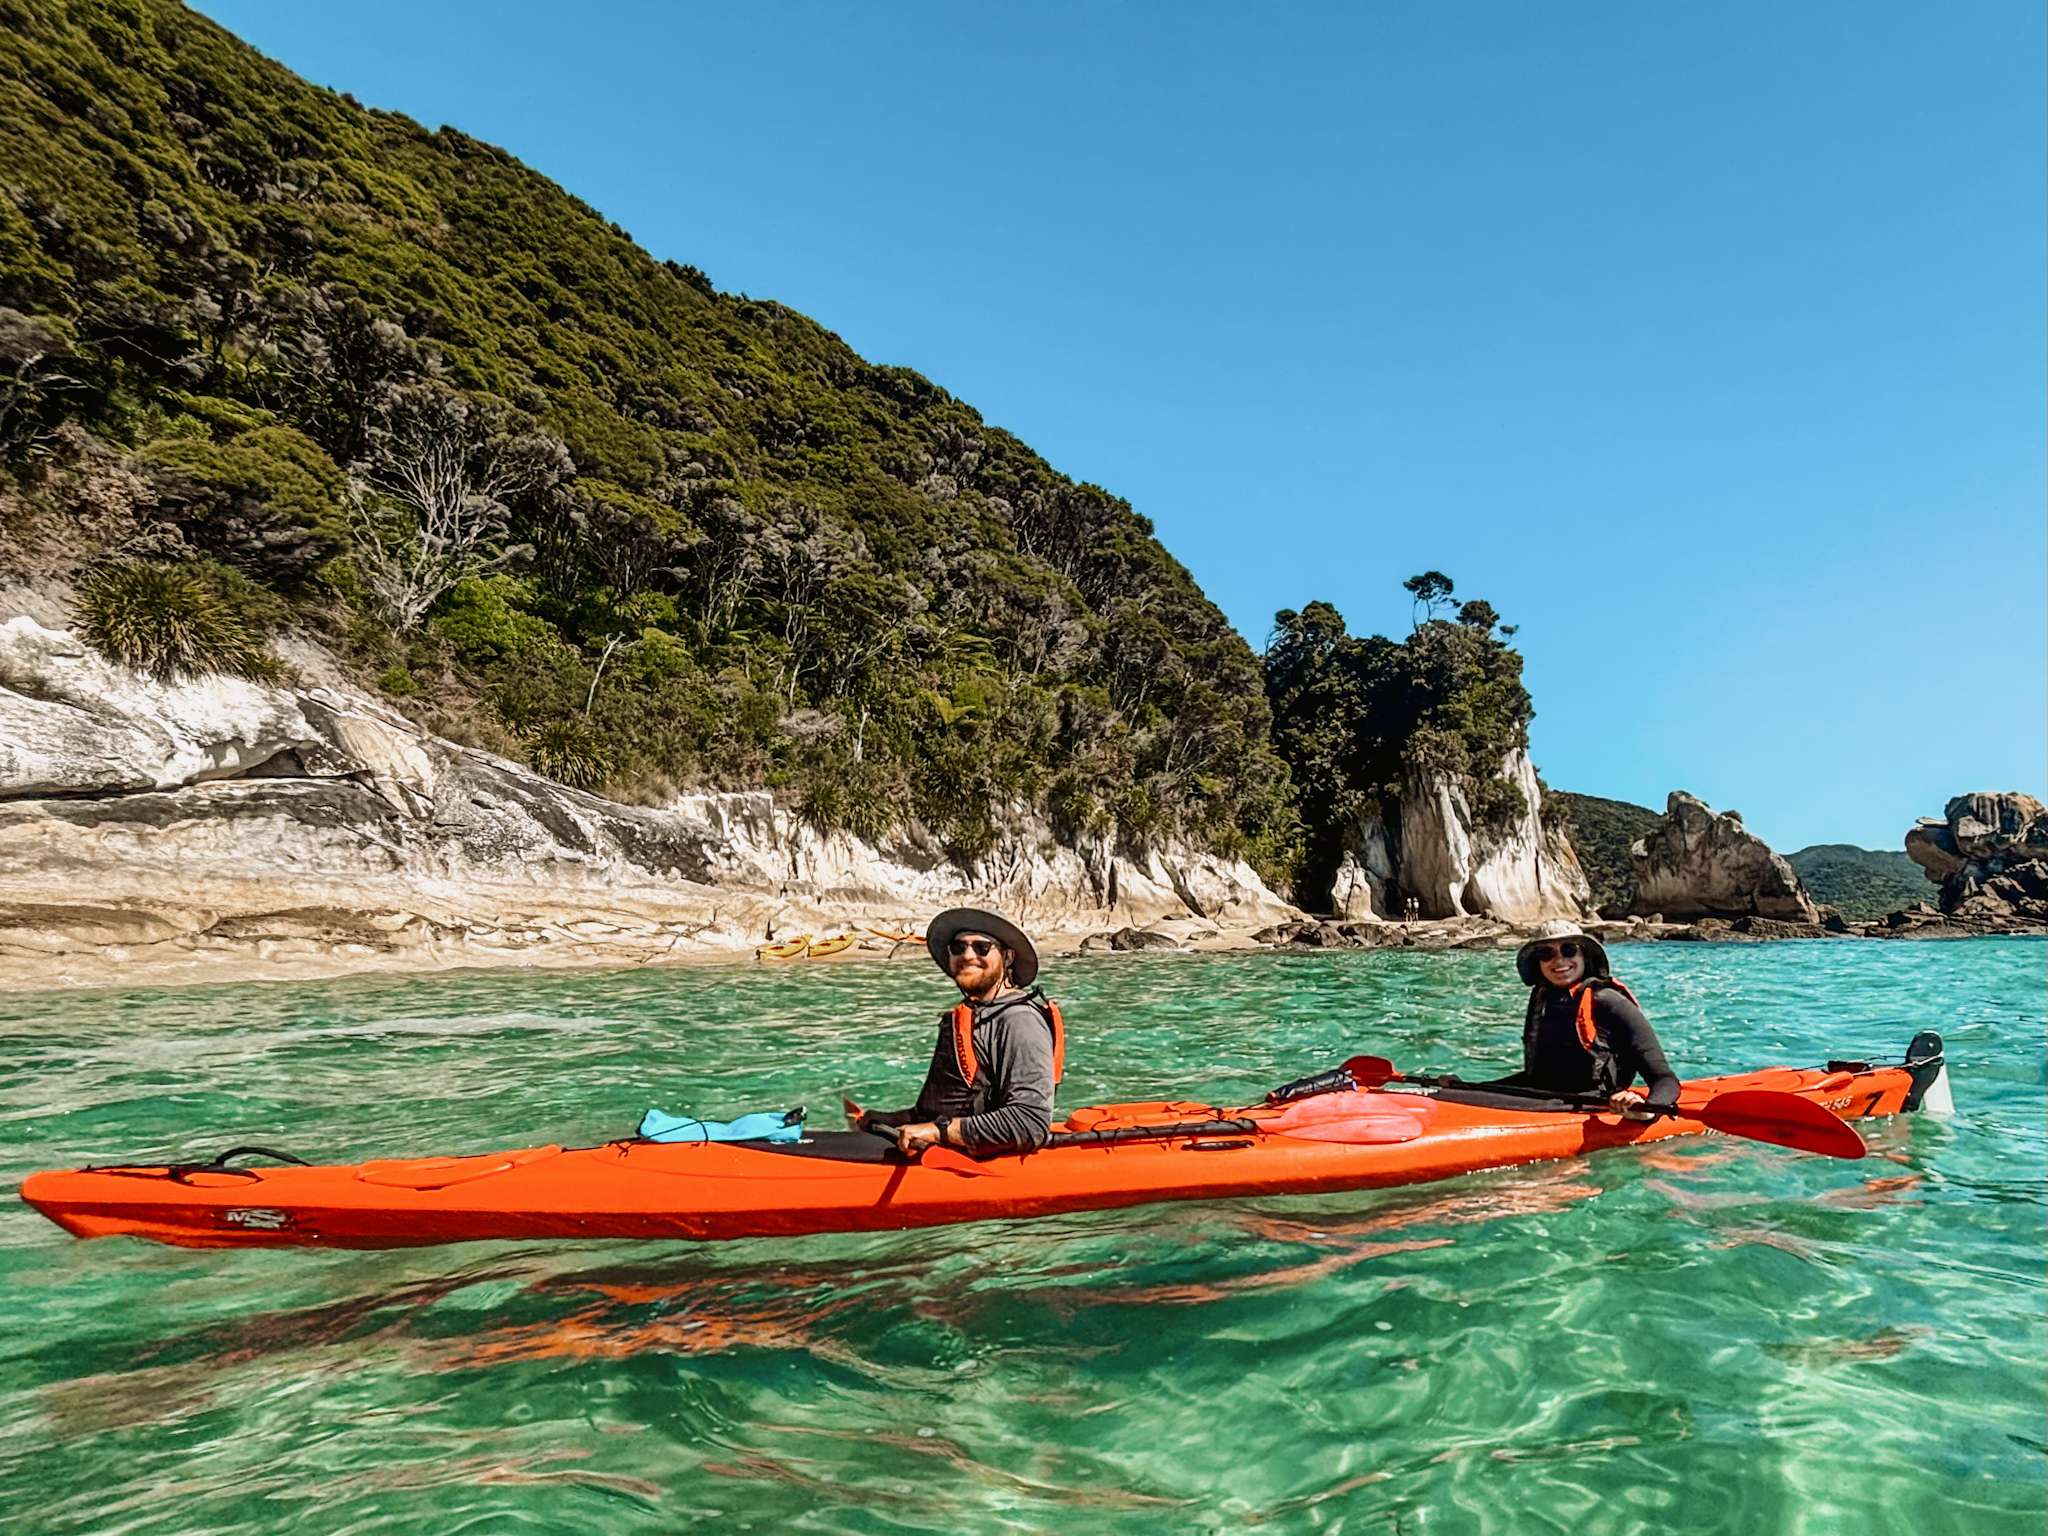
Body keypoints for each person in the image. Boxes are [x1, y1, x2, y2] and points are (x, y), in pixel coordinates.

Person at [849, 907, 1064, 1158]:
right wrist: (897, 1119)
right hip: (948, 1149)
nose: (968, 955)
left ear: (1007, 957)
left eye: (982, 947)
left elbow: (1030, 1123)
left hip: (984, 1162)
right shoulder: (976, 1013)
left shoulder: (1020, 1021)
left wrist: (938, 1132)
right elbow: (949, 1106)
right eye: (958, 947)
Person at [1487, 920, 1680, 1119]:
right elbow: (1536, 1078)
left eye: (1569, 950)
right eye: (1546, 954)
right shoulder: (1542, 999)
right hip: (1543, 1096)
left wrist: (1648, 1109)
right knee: (1453, 1093)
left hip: (1593, 1101)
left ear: (1584, 957)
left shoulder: (1610, 1002)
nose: (1559, 960)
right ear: (1539, 962)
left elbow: (1664, 1079)